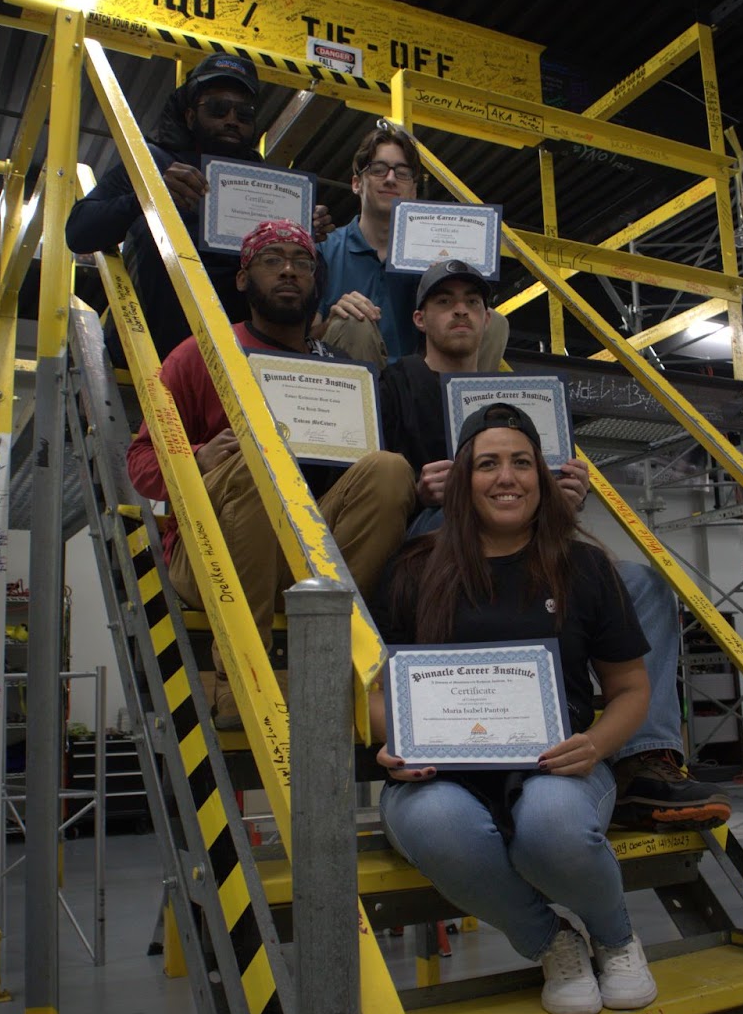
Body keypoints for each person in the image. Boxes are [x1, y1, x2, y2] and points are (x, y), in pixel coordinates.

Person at [378, 259, 731, 831]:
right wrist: (419, 488)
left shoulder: (522, 393)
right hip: (436, 532)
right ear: (420, 318)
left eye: (473, 299)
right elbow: (375, 479)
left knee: (641, 581)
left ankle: (645, 758)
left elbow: (542, 493)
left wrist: (563, 494)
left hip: (525, 536)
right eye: (445, 301)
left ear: (489, 317)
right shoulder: (396, 381)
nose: (461, 309)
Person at [371, 403, 659, 1014]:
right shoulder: (414, 567)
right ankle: (552, 942)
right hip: (438, 775)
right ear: (462, 481)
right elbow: (376, 689)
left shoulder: (583, 565)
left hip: (557, 767)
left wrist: (598, 744)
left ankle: (615, 937)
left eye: (522, 462)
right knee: (434, 823)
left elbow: (631, 687)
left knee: (550, 827)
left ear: (543, 478)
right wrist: (391, 740)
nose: (507, 477)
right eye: (488, 464)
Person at [127, 220, 414, 727]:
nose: (288, 271)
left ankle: (332, 659)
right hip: (210, 550)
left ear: (316, 282)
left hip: (301, 550)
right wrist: (197, 457)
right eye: (271, 259)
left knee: (390, 471)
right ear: (242, 280)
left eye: (302, 263)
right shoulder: (203, 353)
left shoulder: (338, 369)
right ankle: (244, 680)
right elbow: (140, 463)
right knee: (258, 456)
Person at [66, 52, 334, 363]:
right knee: (152, 232)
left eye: (243, 114)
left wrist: (302, 230)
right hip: (168, 329)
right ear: (191, 116)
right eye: (218, 109)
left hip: (243, 324)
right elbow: (79, 231)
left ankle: (282, 360)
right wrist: (151, 198)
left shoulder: (269, 182)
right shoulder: (151, 163)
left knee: (308, 258)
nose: (231, 120)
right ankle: (180, 369)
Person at [316, 125, 509, 371]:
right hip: (354, 383)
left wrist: (445, 284)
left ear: (414, 191)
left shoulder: (432, 254)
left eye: (403, 172)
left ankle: (460, 405)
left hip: (415, 383)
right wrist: (334, 319)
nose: (390, 178)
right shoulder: (324, 250)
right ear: (356, 183)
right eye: (378, 169)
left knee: (493, 323)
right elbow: (305, 336)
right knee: (354, 322)